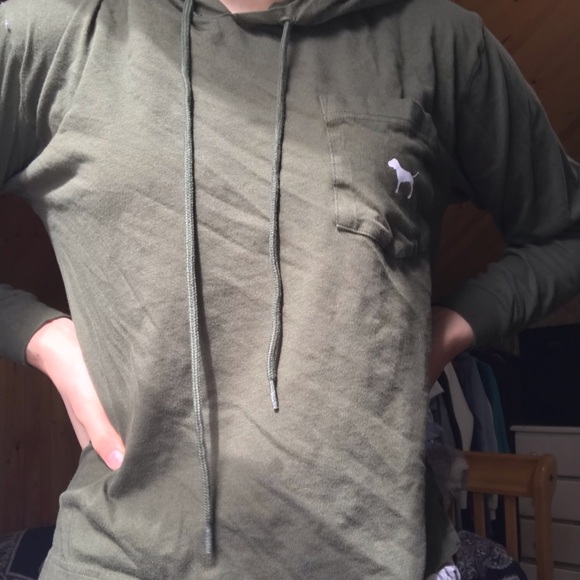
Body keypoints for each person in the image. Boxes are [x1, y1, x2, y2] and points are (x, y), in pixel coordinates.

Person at [1, 0, 579, 577]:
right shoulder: (58, 32)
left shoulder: (438, 42)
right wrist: (42, 338)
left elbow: (566, 233)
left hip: (375, 561)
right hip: (117, 556)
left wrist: (445, 334)